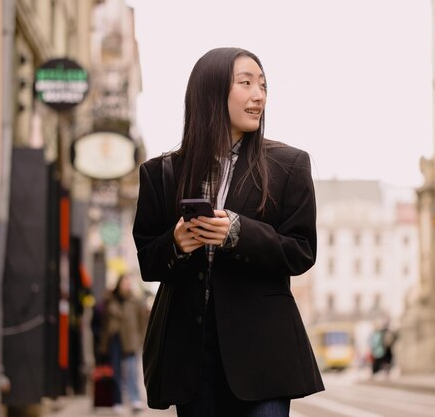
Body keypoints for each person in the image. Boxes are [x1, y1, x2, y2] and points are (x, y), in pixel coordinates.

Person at [132, 47, 324, 416]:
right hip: (190, 354)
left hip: (263, 351)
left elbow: (301, 251)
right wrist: (175, 244)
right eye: (246, 83)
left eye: (263, 85)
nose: (259, 95)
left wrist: (237, 232)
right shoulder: (161, 173)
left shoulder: (289, 165)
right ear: (212, 92)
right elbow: (147, 263)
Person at [98, 274, 148, 413]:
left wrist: (140, 339)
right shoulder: (110, 300)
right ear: (119, 284)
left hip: (131, 339)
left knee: (132, 371)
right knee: (116, 372)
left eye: (128, 283)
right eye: (124, 282)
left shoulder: (135, 301)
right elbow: (104, 322)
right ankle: (117, 401)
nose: (126, 285)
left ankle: (134, 399)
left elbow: (143, 322)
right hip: (114, 338)